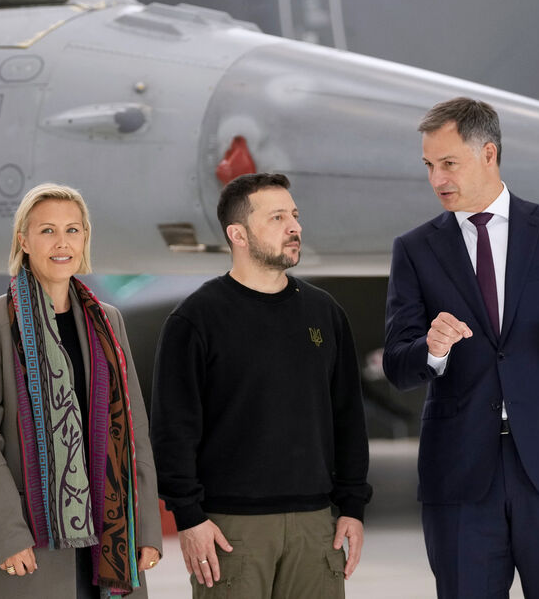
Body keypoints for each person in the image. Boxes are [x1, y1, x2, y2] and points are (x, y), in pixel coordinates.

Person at [383, 98, 539, 598]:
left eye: (448, 163)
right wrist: (431, 349)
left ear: (488, 154)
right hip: (459, 473)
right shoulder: (414, 249)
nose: (436, 178)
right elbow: (397, 364)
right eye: (428, 165)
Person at [150, 172, 372, 598]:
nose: (295, 227)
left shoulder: (324, 313)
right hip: (230, 529)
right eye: (277, 218)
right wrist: (189, 517)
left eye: (294, 215)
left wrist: (352, 507)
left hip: (315, 527)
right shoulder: (195, 319)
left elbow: (348, 418)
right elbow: (172, 430)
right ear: (238, 234)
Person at [0, 183, 162, 598]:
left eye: (72, 230)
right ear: (24, 241)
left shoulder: (109, 321)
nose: (62, 243)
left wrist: (146, 530)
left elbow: (135, 432)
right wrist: (8, 534)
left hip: (109, 540)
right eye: (47, 230)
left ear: (85, 238)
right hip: (30, 541)